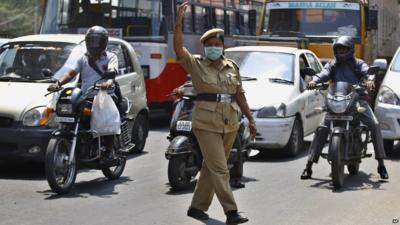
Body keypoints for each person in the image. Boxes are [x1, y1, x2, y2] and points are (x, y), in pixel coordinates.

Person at [174, 2, 256, 224]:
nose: (213, 47)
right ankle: (231, 212)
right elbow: (179, 50)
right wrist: (179, 23)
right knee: (220, 168)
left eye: (217, 44)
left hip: (230, 122)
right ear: (203, 48)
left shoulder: (232, 67)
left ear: (223, 46)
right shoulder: (196, 64)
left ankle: (196, 207)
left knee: (211, 167)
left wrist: (250, 119)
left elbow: (239, 95)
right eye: (209, 44)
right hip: (206, 122)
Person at [300, 35, 389, 180]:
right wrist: (314, 80)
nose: (341, 52)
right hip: (336, 101)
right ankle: (308, 166)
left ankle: (381, 164)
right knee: (322, 128)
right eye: (338, 49)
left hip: (357, 101)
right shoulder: (332, 64)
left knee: (374, 124)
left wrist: (370, 80)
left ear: (350, 50)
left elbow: (367, 72)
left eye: (344, 49)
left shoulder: (358, 63)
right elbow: (324, 73)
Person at [47, 25, 118, 159]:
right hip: (87, 96)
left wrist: (107, 83)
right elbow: (70, 73)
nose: (94, 44)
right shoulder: (82, 58)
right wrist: (57, 83)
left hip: (105, 96)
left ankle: (109, 150)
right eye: (92, 41)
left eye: (97, 41)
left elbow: (112, 71)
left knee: (106, 121)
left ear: (104, 42)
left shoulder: (111, 57)